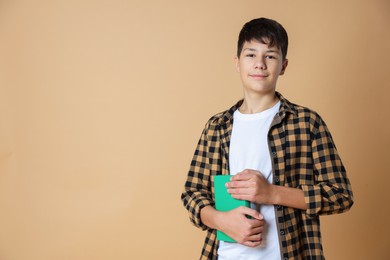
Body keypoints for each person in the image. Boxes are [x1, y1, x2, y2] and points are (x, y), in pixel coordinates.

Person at [181, 17, 353, 260]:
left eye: (270, 56)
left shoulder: (306, 122)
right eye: (251, 55)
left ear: (283, 65)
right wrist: (220, 220)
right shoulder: (217, 127)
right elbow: (192, 192)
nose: (260, 64)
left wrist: (272, 193)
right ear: (237, 63)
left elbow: (340, 195)